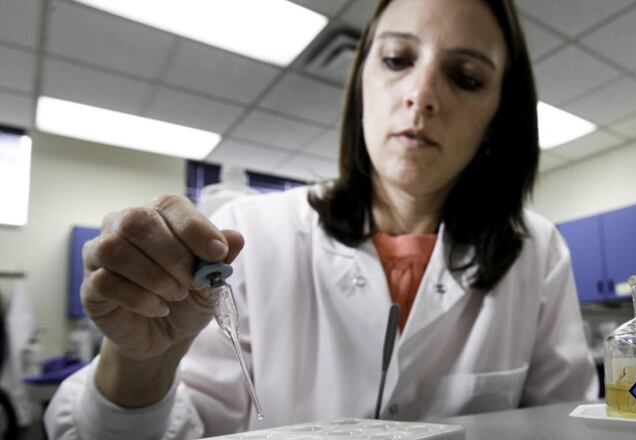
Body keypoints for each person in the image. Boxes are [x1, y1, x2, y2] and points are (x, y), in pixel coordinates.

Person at [45, 0, 598, 438]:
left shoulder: (537, 252)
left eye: (467, 77)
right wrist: (140, 367)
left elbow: (568, 427)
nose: (422, 95)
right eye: (397, 60)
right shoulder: (249, 236)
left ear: (498, 115)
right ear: (360, 82)